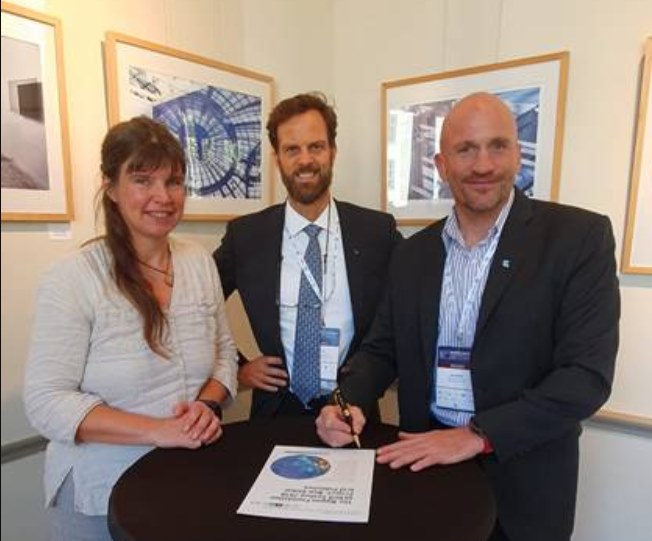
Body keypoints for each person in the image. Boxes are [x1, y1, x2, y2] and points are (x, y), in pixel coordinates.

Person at [316, 92, 620, 541]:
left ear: (517, 154)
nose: (483, 165)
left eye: (498, 146)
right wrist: (344, 402)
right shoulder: (412, 254)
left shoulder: (579, 238)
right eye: (465, 149)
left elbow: (586, 377)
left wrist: (478, 435)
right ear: (441, 165)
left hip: (526, 484)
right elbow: (382, 349)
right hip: (428, 472)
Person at [24, 116, 238, 541]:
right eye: (142, 180)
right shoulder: (74, 278)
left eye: (173, 182)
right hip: (99, 493)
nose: (163, 197)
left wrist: (207, 406)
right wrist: (157, 430)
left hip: (183, 481)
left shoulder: (198, 262)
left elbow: (225, 355)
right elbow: (47, 401)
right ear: (110, 187)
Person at [214, 92, 401, 418]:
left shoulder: (376, 232)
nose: (305, 160)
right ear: (277, 159)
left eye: (316, 147)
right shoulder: (246, 236)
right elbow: (197, 304)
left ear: (332, 152)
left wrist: (376, 373)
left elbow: (410, 308)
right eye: (292, 149)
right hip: (275, 413)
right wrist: (237, 367)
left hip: (352, 410)